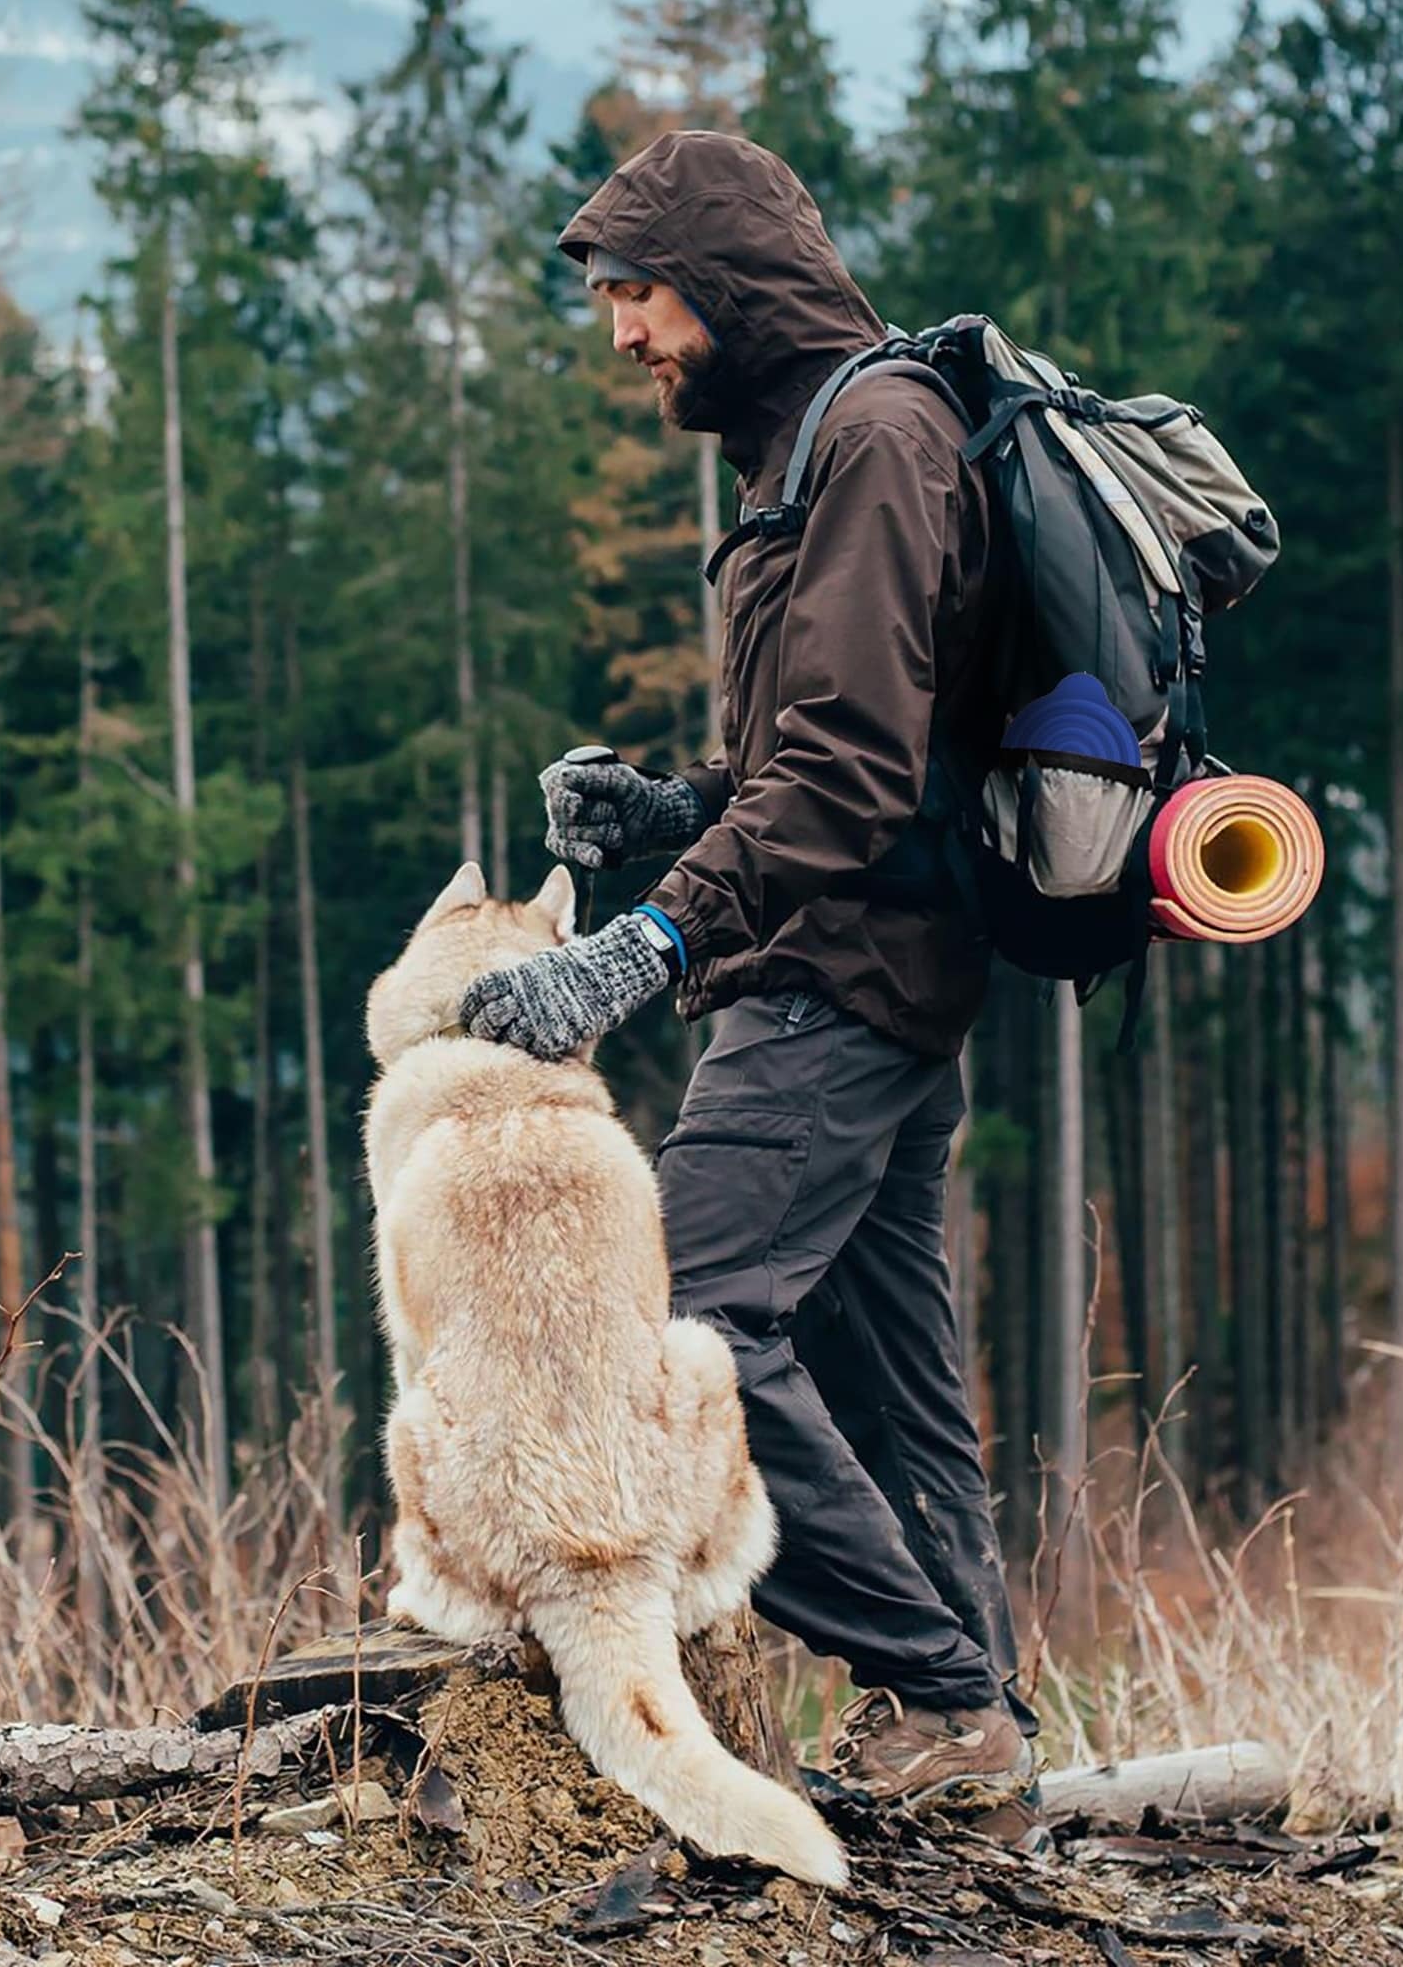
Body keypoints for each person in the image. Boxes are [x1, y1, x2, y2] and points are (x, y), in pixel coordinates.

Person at [457, 128, 1036, 1810]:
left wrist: (639, 945)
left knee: (678, 1332)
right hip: (865, 965)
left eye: (640, 296)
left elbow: (854, 777)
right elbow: (833, 760)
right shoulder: (816, 446)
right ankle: (972, 1722)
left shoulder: (875, 443)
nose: (621, 336)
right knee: (885, 1375)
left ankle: (936, 1690)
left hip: (835, 985)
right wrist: (665, 813)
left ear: (726, 282)